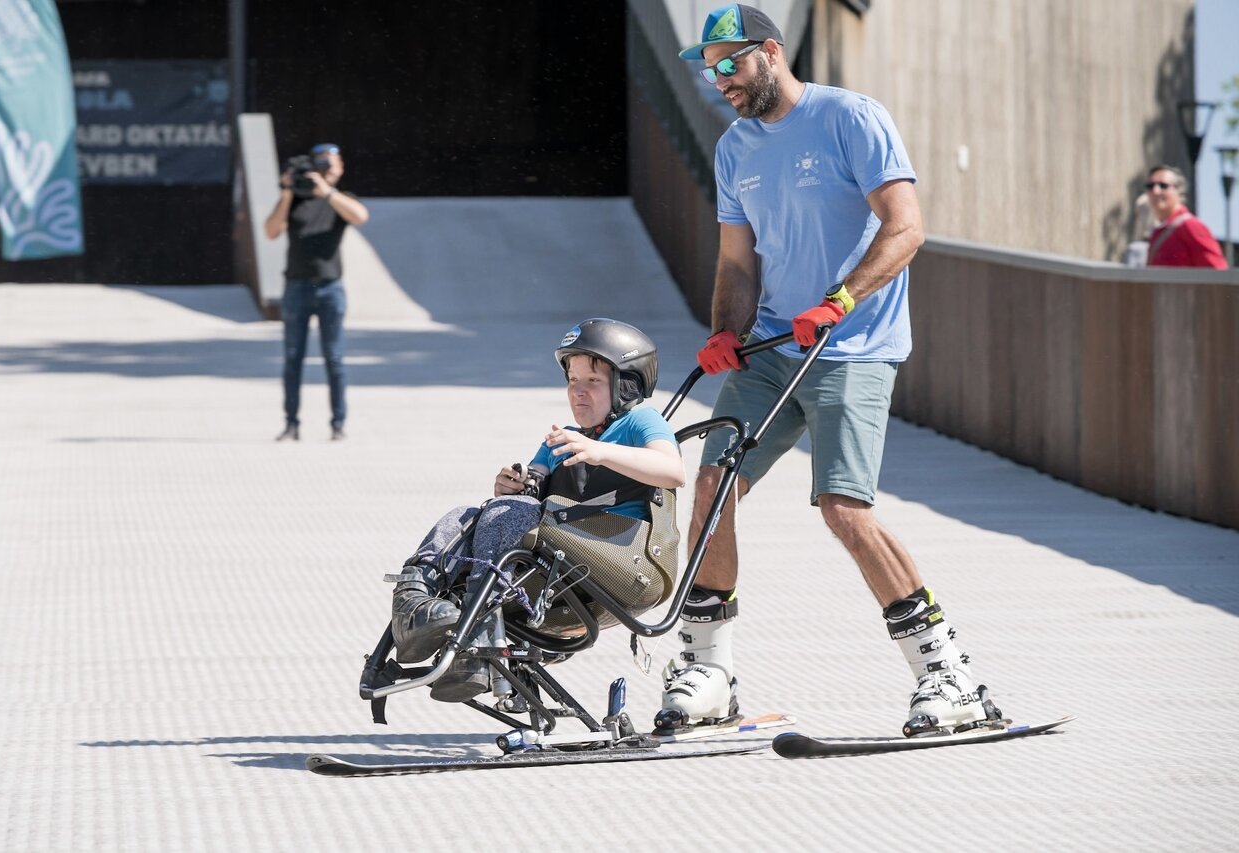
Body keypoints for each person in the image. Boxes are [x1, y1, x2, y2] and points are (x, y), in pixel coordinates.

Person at [662, 4, 1004, 737]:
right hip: (774, 351)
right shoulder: (735, 150)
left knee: (845, 511)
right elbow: (736, 259)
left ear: (772, 52)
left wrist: (841, 299)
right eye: (710, 67)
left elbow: (906, 226)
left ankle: (948, 675)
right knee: (713, 486)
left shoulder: (851, 117)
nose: (720, 78)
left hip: (852, 348)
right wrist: (726, 332)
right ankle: (709, 670)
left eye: (731, 62)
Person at [389, 318, 686, 702]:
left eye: (592, 382)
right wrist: (511, 486)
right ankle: (415, 603)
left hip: (628, 560)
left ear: (626, 385)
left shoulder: (639, 421)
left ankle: (478, 640)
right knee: (465, 516)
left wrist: (599, 451)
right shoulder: (560, 437)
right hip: (567, 558)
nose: (578, 392)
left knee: (506, 512)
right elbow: (526, 493)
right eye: (572, 382)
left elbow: (673, 470)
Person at [264, 143, 371, 441]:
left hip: (330, 288)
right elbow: (271, 231)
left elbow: (361, 216)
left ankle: (338, 425)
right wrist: (287, 191)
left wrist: (326, 191)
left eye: (332, 164)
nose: (326, 169)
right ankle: (291, 424)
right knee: (292, 358)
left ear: (340, 168)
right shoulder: (295, 199)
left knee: (334, 358)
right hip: (296, 287)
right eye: (321, 164)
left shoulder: (339, 200)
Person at [1143, 165, 1227, 269]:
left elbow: (1218, 273)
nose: (1155, 191)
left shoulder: (1190, 225)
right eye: (1150, 186)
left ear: (1179, 190)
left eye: (1163, 186)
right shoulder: (1158, 231)